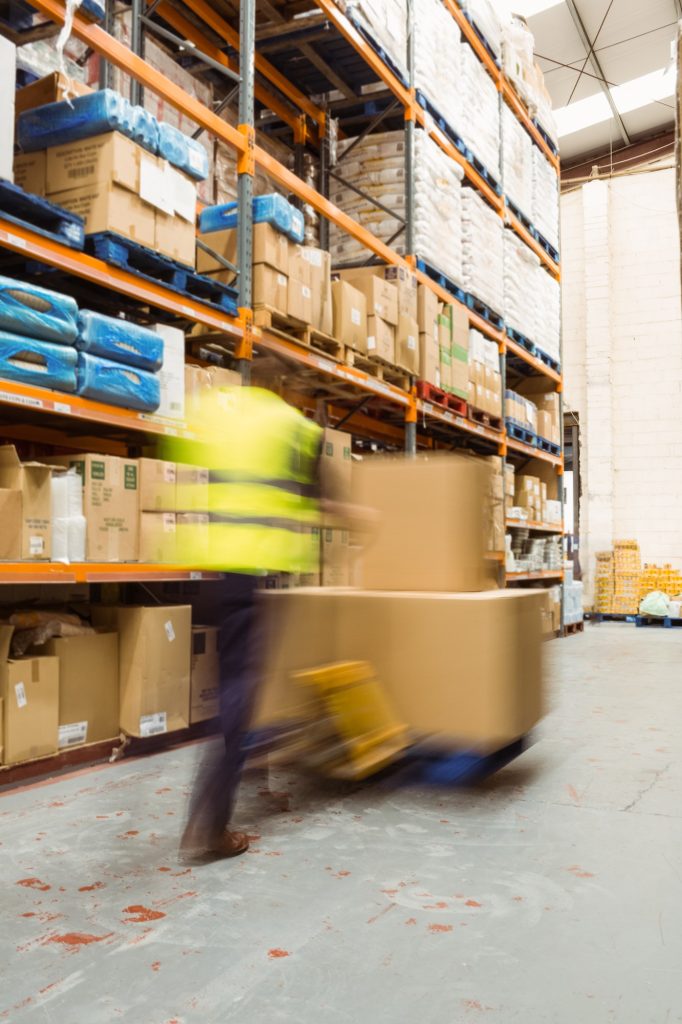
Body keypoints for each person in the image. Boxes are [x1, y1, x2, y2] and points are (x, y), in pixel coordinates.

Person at [165, 383, 349, 860]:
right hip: (255, 574)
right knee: (240, 696)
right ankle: (208, 827)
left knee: (235, 686)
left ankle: (248, 770)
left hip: (212, 572)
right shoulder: (294, 427)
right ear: (291, 388)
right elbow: (323, 496)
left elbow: (180, 460)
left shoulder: (218, 413)